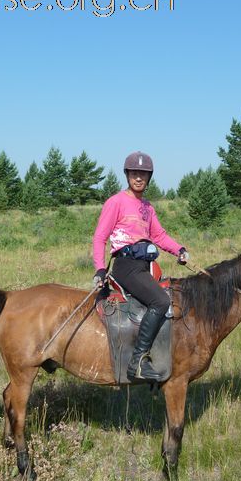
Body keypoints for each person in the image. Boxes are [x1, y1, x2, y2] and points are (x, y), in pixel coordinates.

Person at [93, 151, 189, 382]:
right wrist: (100, 269)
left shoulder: (147, 208)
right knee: (161, 301)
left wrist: (179, 250)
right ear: (127, 175)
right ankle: (137, 361)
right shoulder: (115, 202)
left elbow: (159, 235)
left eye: (143, 174)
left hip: (145, 267)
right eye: (134, 173)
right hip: (127, 267)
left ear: (149, 177)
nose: (139, 178)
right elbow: (100, 237)